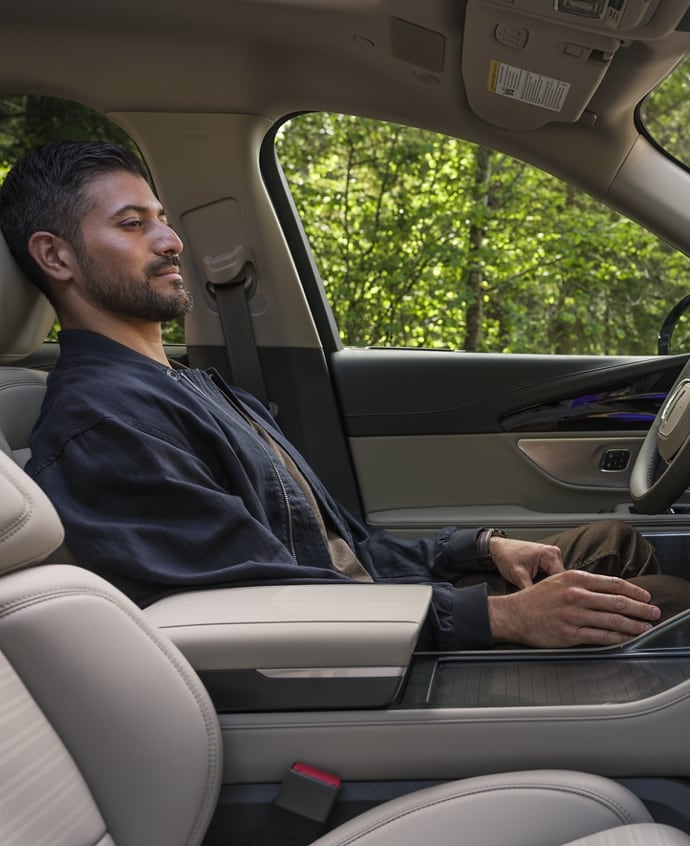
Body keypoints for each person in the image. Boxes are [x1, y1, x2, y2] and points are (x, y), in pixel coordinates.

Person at [1, 140, 689, 651]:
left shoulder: (189, 386)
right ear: (56, 256)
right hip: (359, 666)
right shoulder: (104, 426)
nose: (171, 239)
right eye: (132, 224)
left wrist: (482, 548)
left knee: (610, 543)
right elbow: (259, 609)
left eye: (163, 218)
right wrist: (505, 618)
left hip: (373, 617)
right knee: (665, 612)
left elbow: (344, 550)